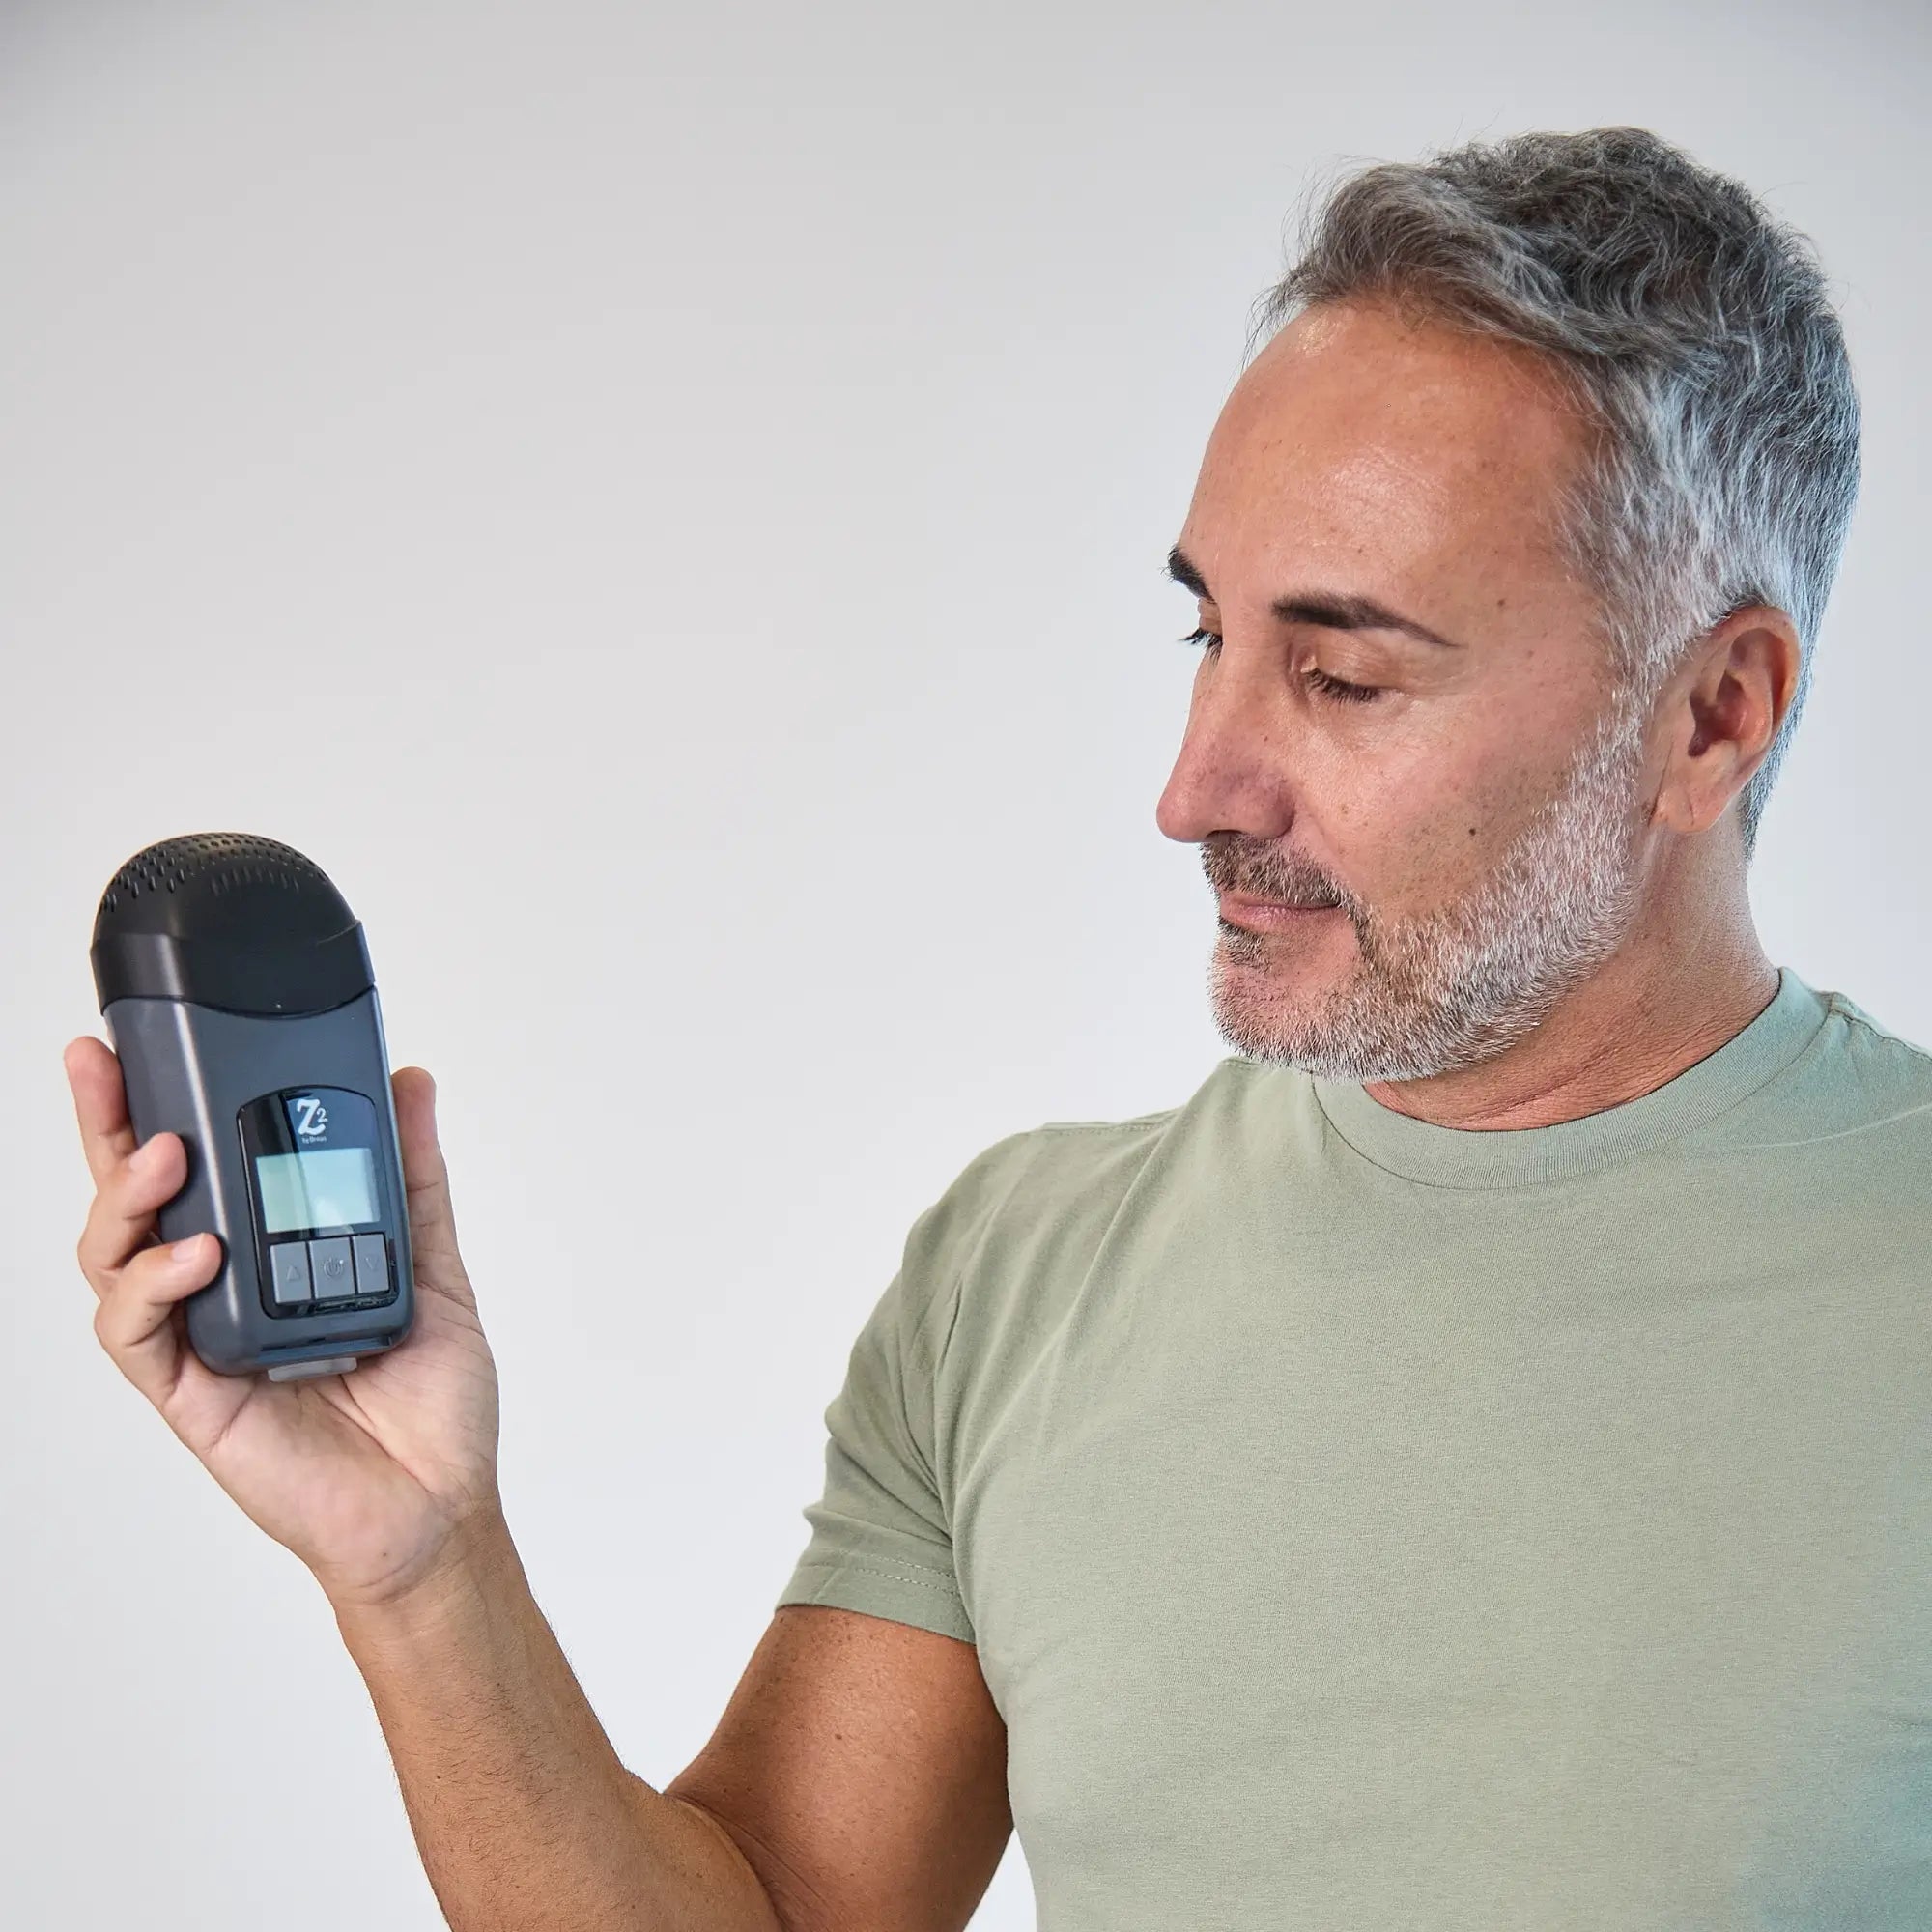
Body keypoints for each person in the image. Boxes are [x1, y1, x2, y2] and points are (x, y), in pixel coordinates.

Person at [65, 124, 1932, 1928]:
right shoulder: (1023, 1273)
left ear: (1712, 718)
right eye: (1209, 636)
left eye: (1344, 674)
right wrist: (420, 1571)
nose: (1198, 787)